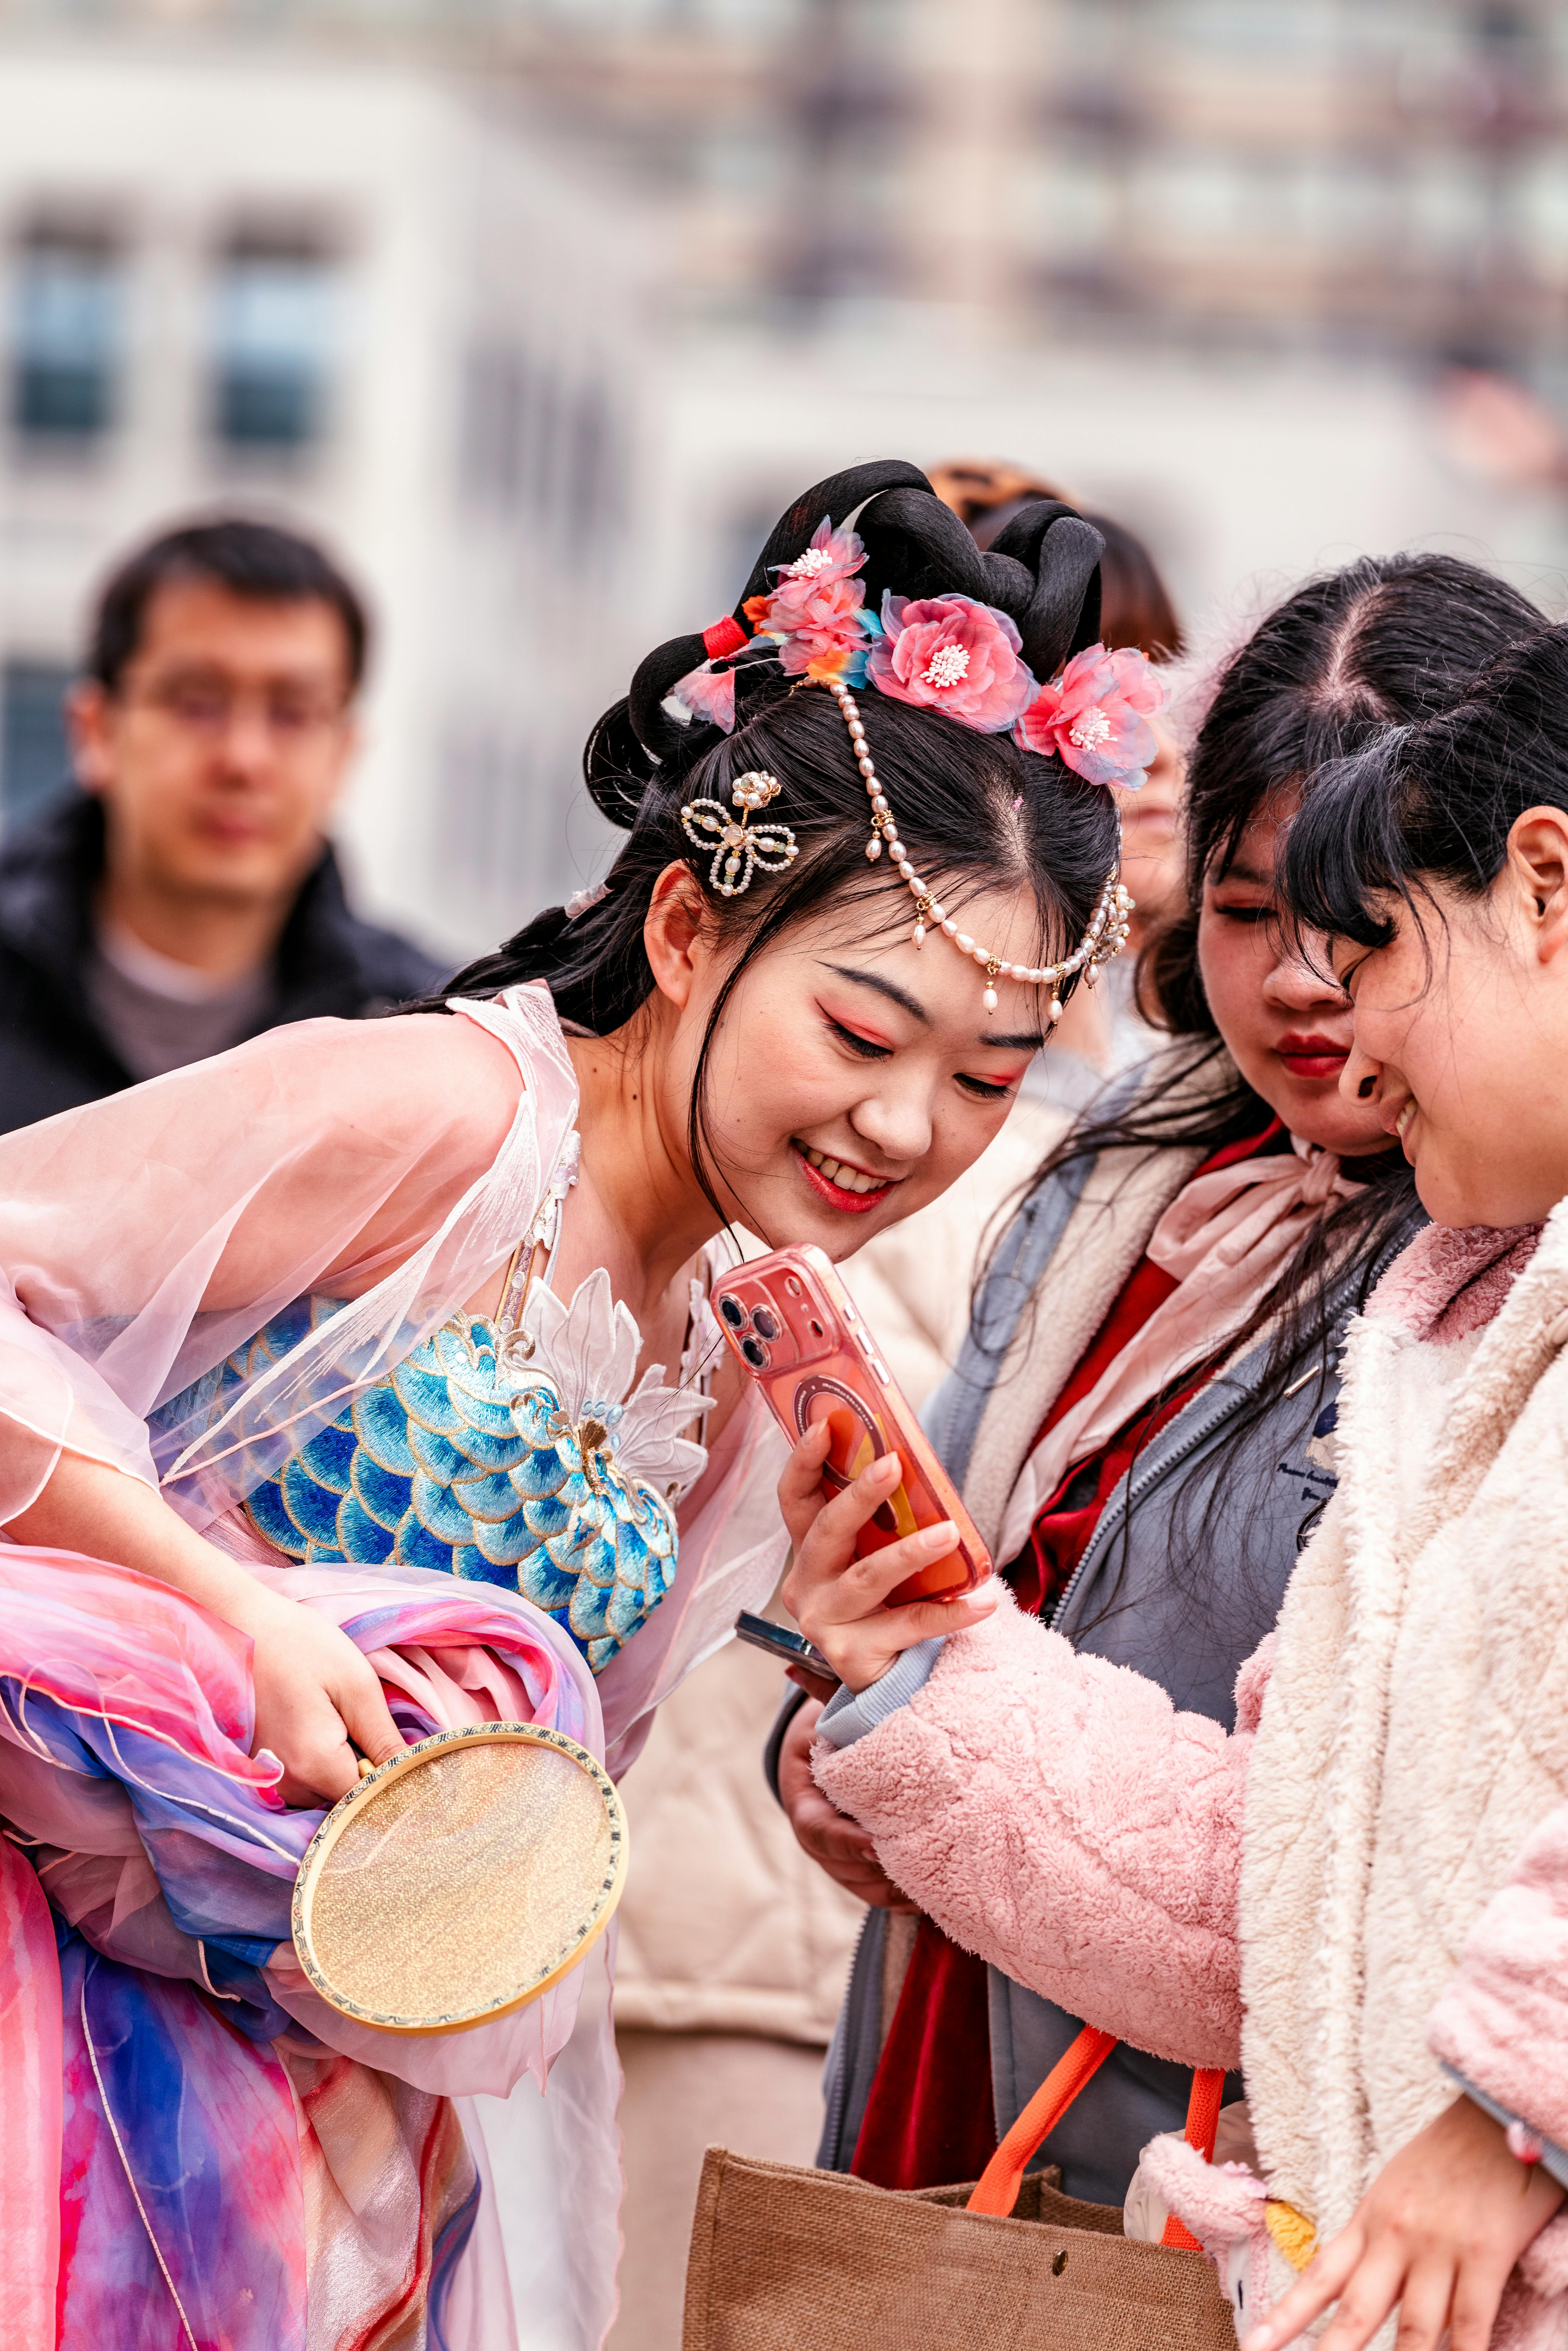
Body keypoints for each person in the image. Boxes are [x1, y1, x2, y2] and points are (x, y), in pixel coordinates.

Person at [0, 458, 1147, 2350]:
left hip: (338, 2116)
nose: (902, 1126)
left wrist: (867, 1679)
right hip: (62, 2001)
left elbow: (551, 1814)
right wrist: (234, 1608)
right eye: (861, 1030)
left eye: (982, 1075)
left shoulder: (751, 1338)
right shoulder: (441, 1122)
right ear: (690, 932)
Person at [787, 598, 1568, 2351]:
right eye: (1245, 914)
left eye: (1368, 942)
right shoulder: (1283, 1235)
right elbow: (1293, 1863)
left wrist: (1504, 2105)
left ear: (1539, 886)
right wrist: (914, 1679)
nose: (1335, 1022)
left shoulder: (1446, 1278)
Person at [0, 516, 445, 1131]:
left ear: (342, 754)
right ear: (96, 730)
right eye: (197, 703)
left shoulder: (418, 1039)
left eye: (292, 713)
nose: (243, 759)